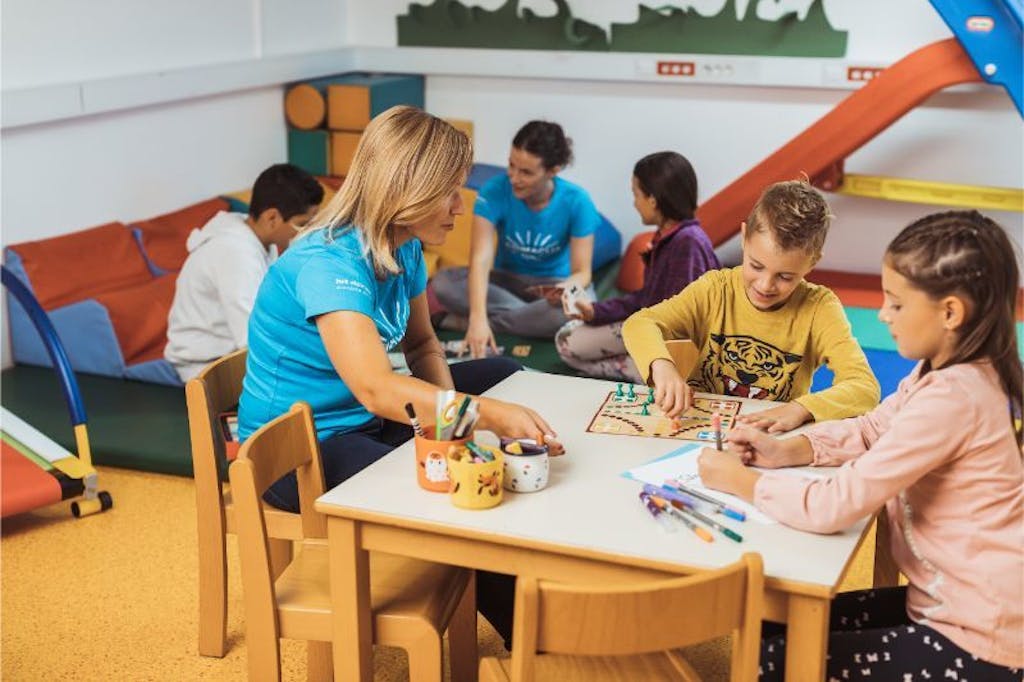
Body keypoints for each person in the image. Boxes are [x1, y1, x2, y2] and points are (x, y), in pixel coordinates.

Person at [699, 210, 1023, 679]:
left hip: (979, 637)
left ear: (950, 313)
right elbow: (873, 429)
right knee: (774, 617)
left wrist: (741, 482)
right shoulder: (943, 371)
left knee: (772, 661)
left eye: (896, 304)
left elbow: (836, 504)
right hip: (946, 601)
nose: (882, 315)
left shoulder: (955, 398)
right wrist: (789, 449)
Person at [237, 105, 554, 511]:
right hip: (298, 449)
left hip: (362, 420)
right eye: (449, 193)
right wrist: (487, 416)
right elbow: (376, 389)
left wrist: (451, 430)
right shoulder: (328, 265)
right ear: (407, 189)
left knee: (502, 372)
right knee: (434, 490)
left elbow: (421, 345)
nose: (460, 207)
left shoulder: (406, 248)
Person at [622, 180, 880, 432]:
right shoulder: (715, 290)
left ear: (812, 262)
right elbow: (640, 322)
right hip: (698, 428)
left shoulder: (819, 308)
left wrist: (800, 409)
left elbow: (865, 386)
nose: (765, 285)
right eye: (756, 266)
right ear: (745, 237)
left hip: (768, 439)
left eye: (785, 277)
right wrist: (662, 366)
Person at [432, 120, 602, 355]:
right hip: (506, 282)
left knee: (582, 305)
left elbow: (582, 272)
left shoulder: (578, 201)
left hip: (553, 285)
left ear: (553, 170)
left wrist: (565, 289)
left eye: (526, 172)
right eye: (511, 165)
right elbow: (480, 260)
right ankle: (532, 320)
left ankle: (463, 322)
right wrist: (478, 318)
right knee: (443, 282)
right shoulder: (494, 191)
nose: (514, 177)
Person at [555, 151, 719, 381]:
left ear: (653, 200)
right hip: (649, 326)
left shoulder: (688, 243)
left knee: (566, 340)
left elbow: (682, 321)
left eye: (636, 194)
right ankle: (643, 370)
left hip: (662, 337)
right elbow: (645, 298)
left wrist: (645, 340)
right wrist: (595, 311)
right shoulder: (669, 237)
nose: (634, 203)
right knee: (569, 333)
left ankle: (652, 372)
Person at [164, 163, 323, 382]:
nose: (308, 232)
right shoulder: (236, 254)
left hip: (229, 353)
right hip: (205, 367)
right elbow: (251, 338)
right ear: (272, 218)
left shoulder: (259, 238)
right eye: (303, 224)